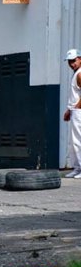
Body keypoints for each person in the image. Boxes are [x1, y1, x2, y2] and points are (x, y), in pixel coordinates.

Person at [63, 48, 81, 178]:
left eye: (74, 61)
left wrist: (76, 108)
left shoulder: (80, 73)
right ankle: (77, 168)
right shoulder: (75, 73)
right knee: (74, 141)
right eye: (69, 61)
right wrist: (69, 110)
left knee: (78, 140)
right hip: (74, 110)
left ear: (80, 59)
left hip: (78, 111)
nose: (71, 64)